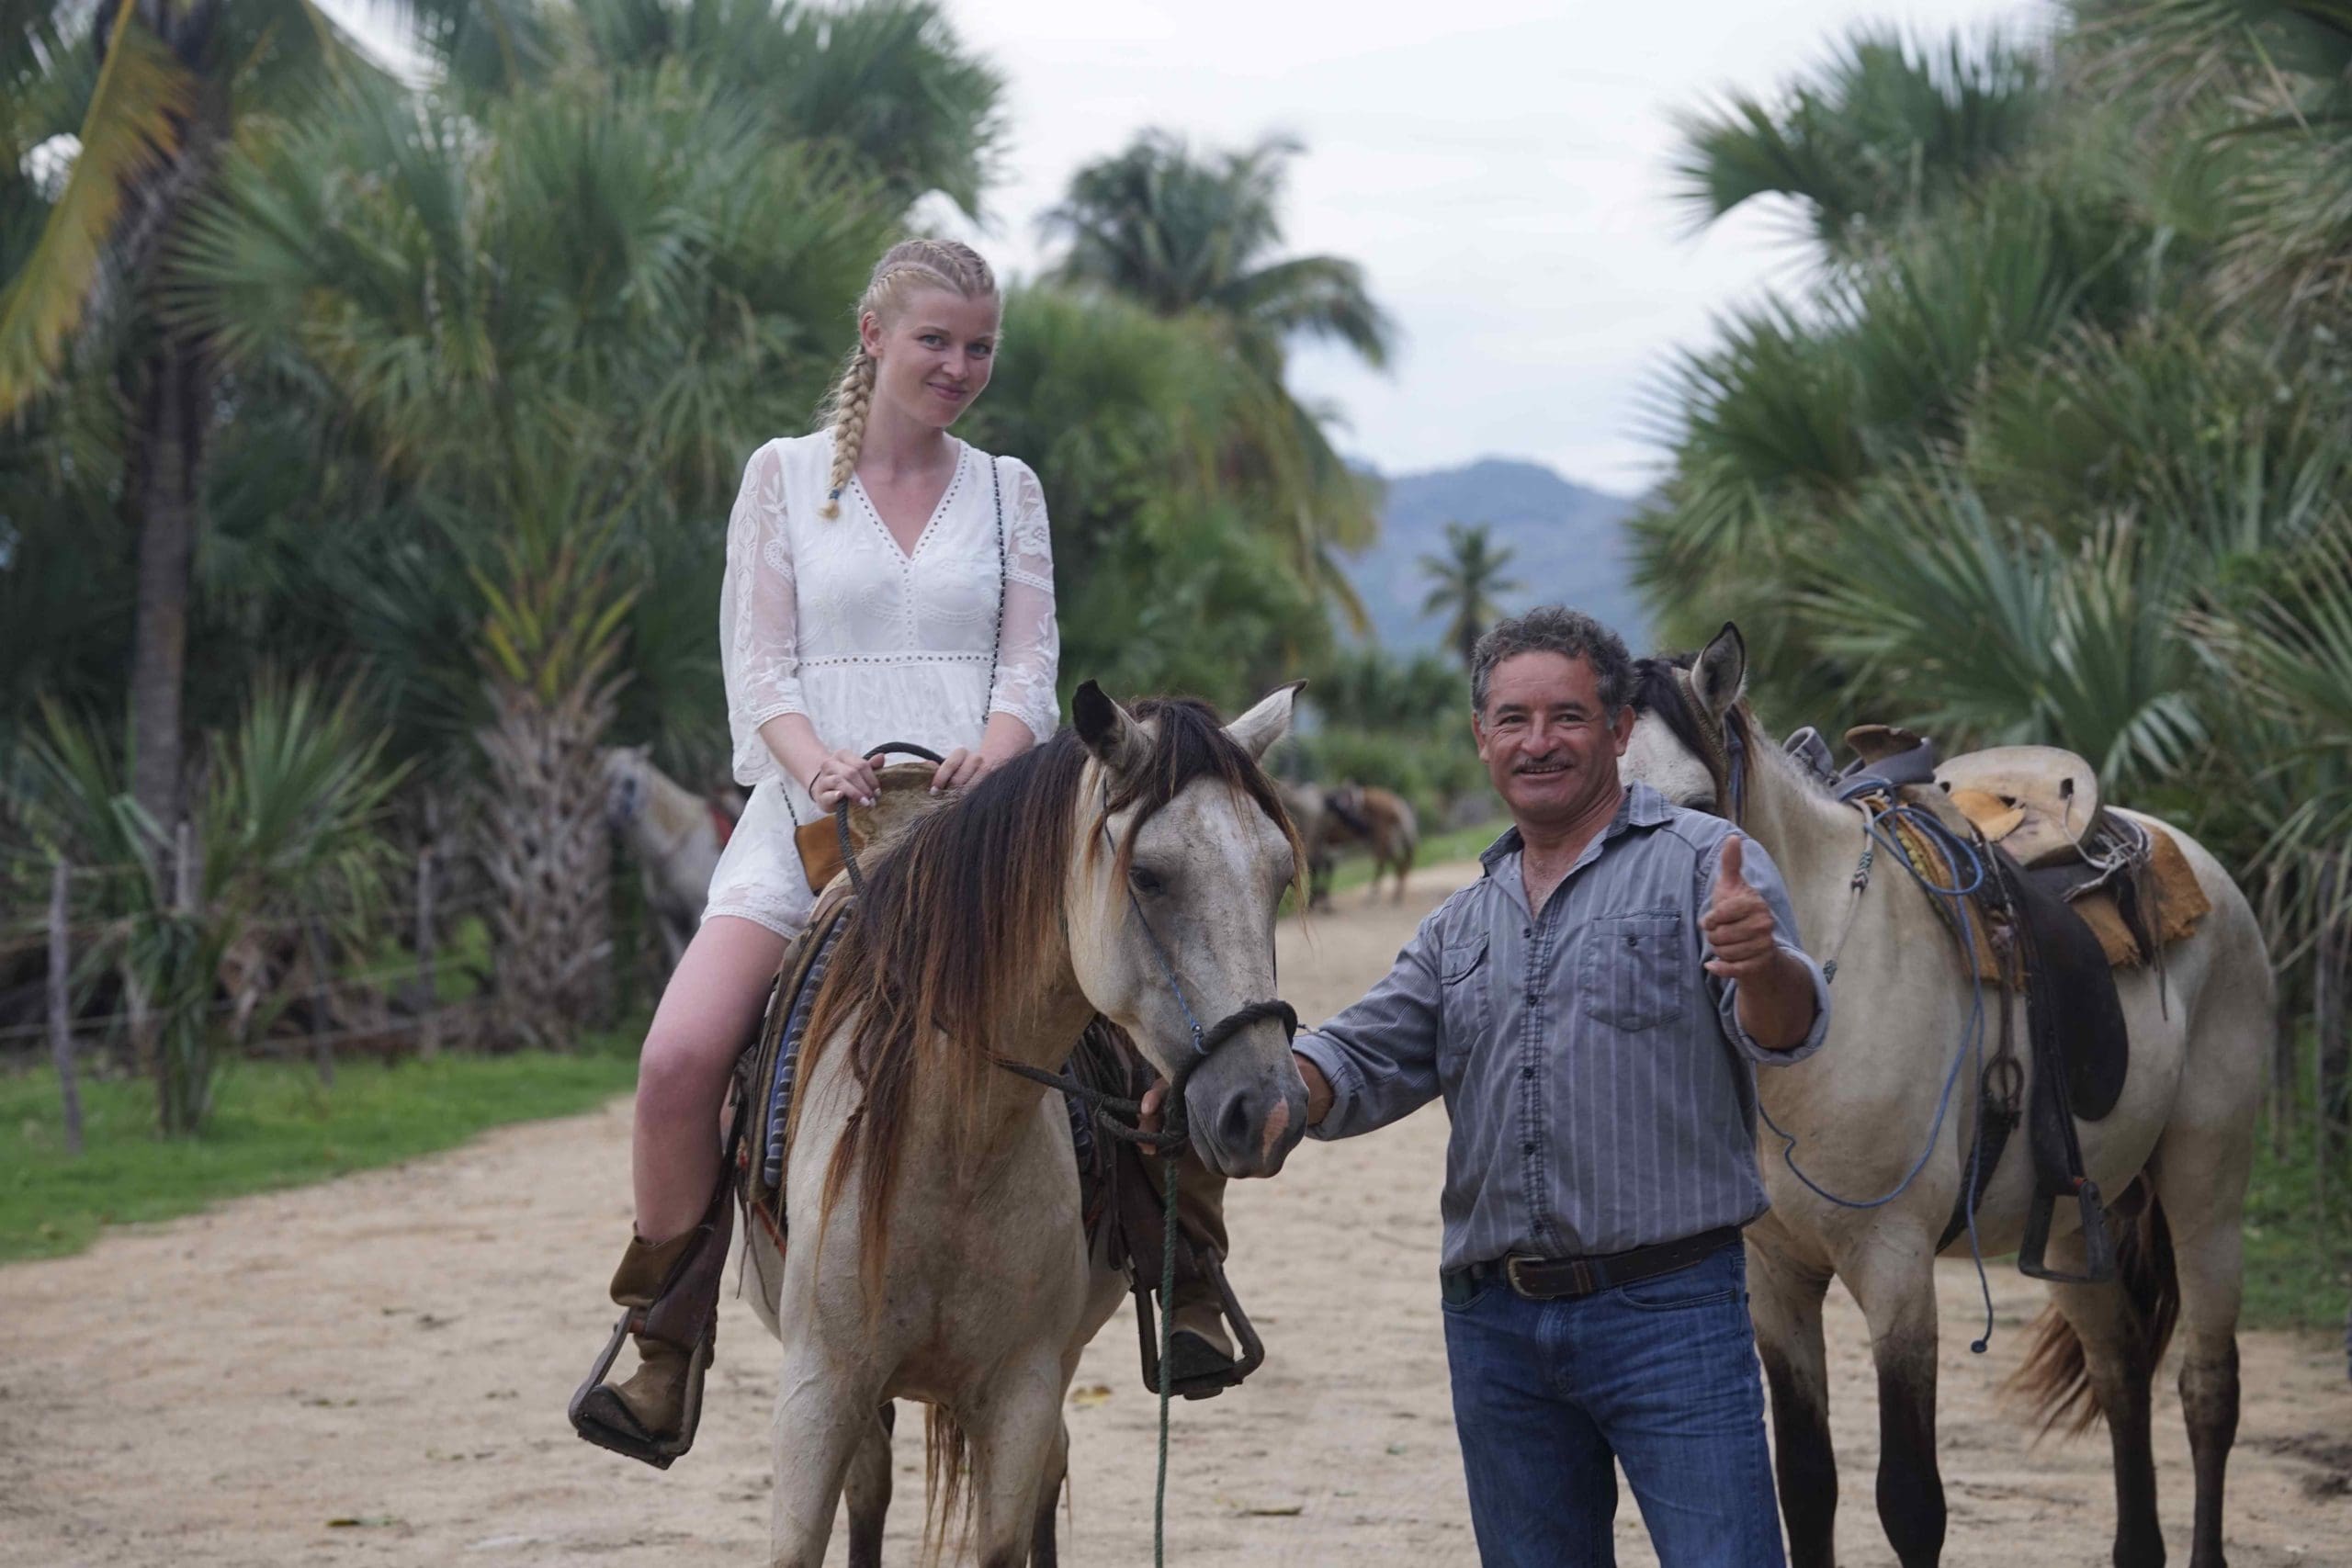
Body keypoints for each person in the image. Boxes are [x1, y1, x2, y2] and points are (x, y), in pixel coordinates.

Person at [572, 239, 1062, 1465]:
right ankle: (666, 1332)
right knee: (680, 1055)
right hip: (812, 824)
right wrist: (814, 760)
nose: (961, 365)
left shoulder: (1009, 488)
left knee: (1143, 1005)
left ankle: (1187, 1273)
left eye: (980, 344)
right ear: (873, 336)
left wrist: (998, 757)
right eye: (936, 339)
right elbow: (762, 665)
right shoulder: (785, 476)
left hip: (979, 835)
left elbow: (1028, 667)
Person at [1287, 606, 1829, 1566]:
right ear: (1482, 738)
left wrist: (1762, 966)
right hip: (1495, 1329)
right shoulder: (1460, 922)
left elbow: (1785, 1034)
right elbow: (1362, 1058)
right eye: (1513, 719)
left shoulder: (1706, 865)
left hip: (1670, 1316)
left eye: (1568, 717)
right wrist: (1262, 1090)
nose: (1538, 742)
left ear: (1619, 731)